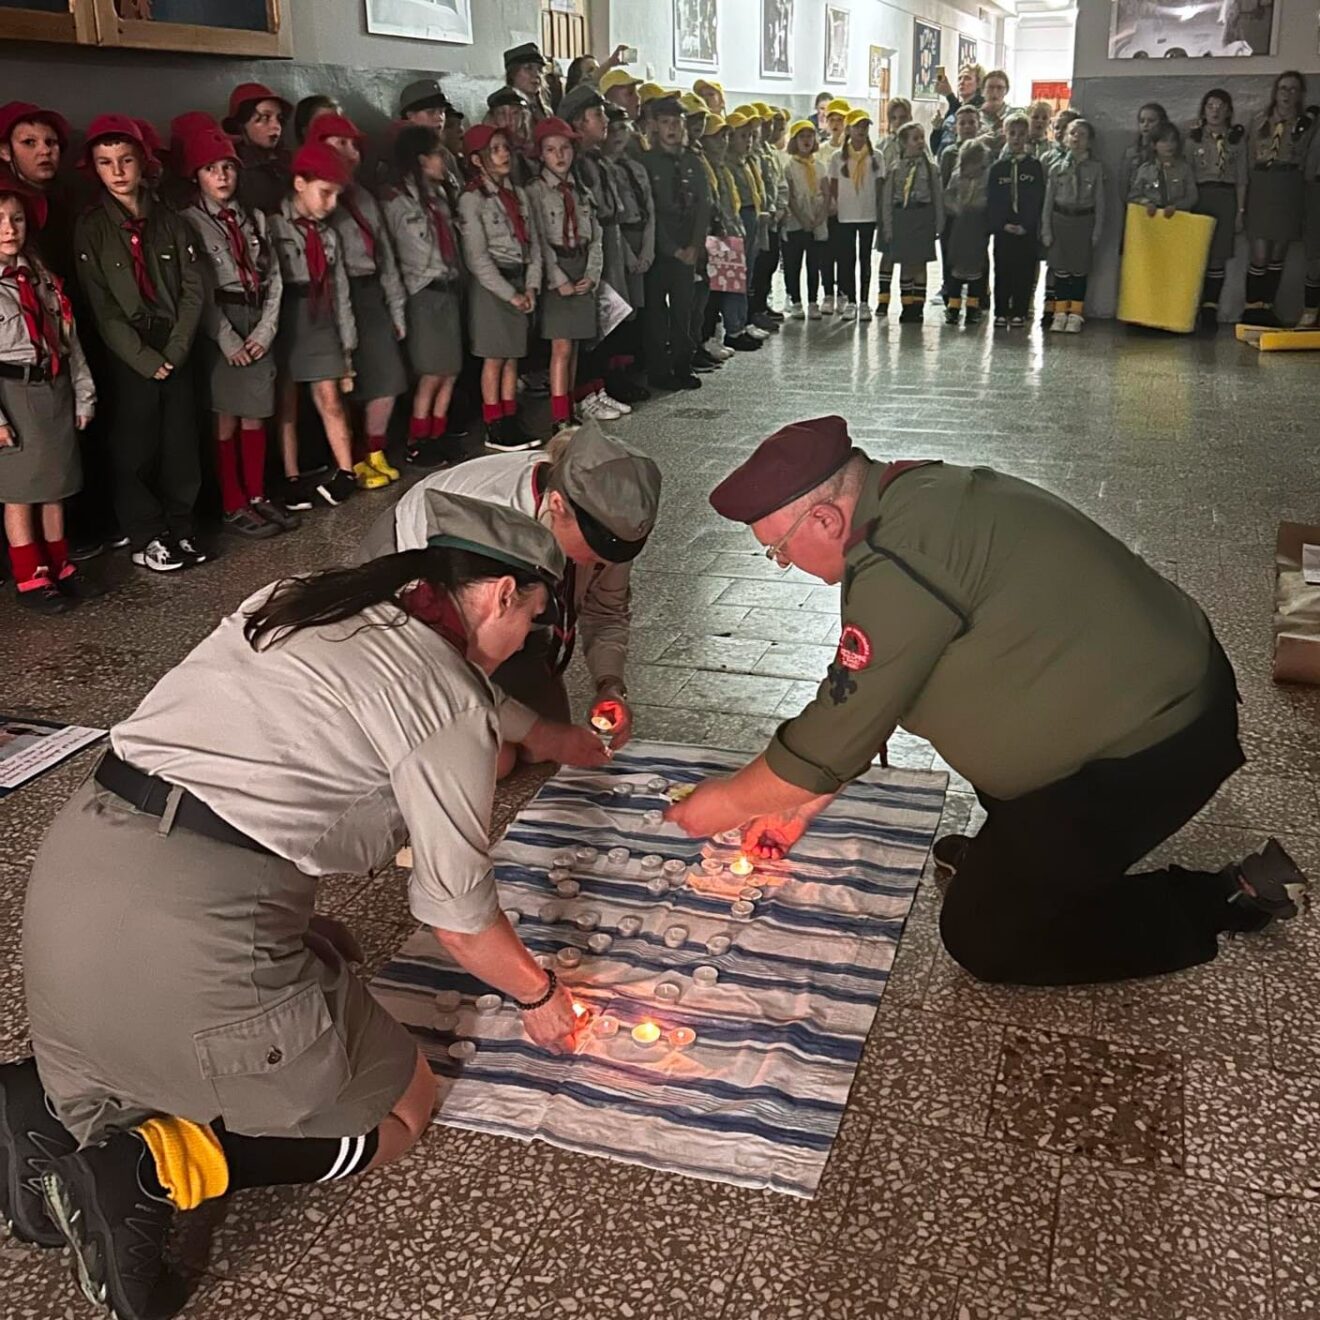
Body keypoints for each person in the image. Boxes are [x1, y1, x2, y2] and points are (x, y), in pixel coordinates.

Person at [2, 494, 582, 1320]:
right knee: (405, 1105)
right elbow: (459, 919)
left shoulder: (305, 594)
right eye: (527, 616)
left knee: (308, 955)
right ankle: (159, 1166)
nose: (525, 637)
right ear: (494, 596)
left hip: (73, 875)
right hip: (190, 929)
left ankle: (53, 1106)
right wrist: (541, 994)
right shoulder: (447, 703)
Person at [668, 414, 1309, 992]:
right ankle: (1030, 856)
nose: (784, 565)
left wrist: (720, 804)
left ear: (826, 520)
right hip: (1156, 688)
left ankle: (1221, 898)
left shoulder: (898, 555)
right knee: (1010, 824)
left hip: (1156, 743)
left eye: (779, 553)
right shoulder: (909, 498)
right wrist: (798, 804)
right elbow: (877, 691)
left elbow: (840, 726)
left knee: (985, 938)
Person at [358, 420, 660, 770]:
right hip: (414, 602)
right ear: (558, 504)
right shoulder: (493, 526)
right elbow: (447, 663)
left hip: (503, 616)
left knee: (542, 748)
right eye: (595, 553)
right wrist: (537, 732)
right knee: (493, 759)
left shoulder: (608, 527)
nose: (602, 565)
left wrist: (610, 685)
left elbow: (606, 611)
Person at [74, 114, 208, 574]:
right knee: (135, 448)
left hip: (175, 343)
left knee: (180, 443)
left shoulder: (170, 220)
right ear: (94, 168)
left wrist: (175, 349)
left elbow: (194, 289)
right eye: (105, 162)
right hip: (130, 350)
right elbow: (102, 306)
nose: (117, 171)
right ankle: (146, 534)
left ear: (141, 162)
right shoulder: (92, 228)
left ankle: (182, 524)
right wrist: (144, 358)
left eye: (126, 160)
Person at [177, 120, 295, 540]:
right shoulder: (189, 222)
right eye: (211, 169)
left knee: (256, 415)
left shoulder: (255, 219)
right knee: (225, 417)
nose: (222, 177)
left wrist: (266, 330)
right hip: (221, 325)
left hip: (257, 319)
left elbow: (275, 277)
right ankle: (233, 501)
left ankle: (258, 494)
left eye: (227, 167)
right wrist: (226, 338)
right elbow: (199, 288)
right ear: (197, 176)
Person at [0, 179, 98, 613]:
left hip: (53, 386)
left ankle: (60, 563)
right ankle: (29, 575)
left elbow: (68, 339)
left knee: (55, 485)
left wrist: (83, 392)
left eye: (16, 219)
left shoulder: (42, 278)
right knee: (19, 490)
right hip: (12, 392)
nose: (8, 228)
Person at [306, 114, 408, 492]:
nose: (351, 152)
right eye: (340, 144)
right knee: (346, 382)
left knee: (387, 378)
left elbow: (385, 256)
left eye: (353, 144)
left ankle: (375, 450)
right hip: (334, 296)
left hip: (371, 294)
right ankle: (350, 460)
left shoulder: (364, 196)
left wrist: (395, 307)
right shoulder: (317, 198)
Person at [268, 142, 359, 509]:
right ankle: (292, 478)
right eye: (325, 193)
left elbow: (341, 294)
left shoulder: (328, 235)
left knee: (331, 398)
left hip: (320, 317)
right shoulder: (273, 226)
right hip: (286, 314)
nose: (330, 204)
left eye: (336, 195)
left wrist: (347, 344)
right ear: (300, 183)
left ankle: (346, 471)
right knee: (286, 402)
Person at [381, 124, 466, 468]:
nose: (442, 160)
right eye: (436, 154)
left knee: (451, 370)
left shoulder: (439, 197)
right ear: (419, 159)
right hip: (421, 292)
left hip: (448, 288)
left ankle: (438, 432)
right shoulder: (395, 202)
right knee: (431, 371)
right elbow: (390, 255)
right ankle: (419, 439)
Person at [458, 123, 542, 451]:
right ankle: (494, 423)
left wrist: (531, 286)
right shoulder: (472, 199)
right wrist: (512, 294)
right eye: (494, 149)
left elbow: (532, 244)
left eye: (505, 147)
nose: (504, 154)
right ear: (477, 160)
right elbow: (477, 259)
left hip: (519, 279)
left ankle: (509, 414)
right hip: (494, 287)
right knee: (494, 357)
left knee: (512, 356)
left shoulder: (517, 195)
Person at [558, 82, 635, 419]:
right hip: (585, 257)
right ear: (577, 123)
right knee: (587, 330)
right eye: (596, 114)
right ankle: (584, 394)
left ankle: (599, 388)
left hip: (605, 250)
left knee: (604, 323)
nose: (604, 120)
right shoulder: (574, 164)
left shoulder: (596, 160)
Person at [527, 116, 602, 432]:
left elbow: (596, 236)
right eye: (550, 149)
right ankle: (559, 416)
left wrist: (593, 273)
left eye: (565, 148)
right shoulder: (535, 192)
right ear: (540, 155)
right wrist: (558, 279)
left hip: (580, 266)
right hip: (556, 271)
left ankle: (569, 406)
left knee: (575, 346)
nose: (559, 156)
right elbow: (538, 241)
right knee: (561, 347)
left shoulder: (581, 190)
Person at [641, 96, 711, 391]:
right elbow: (649, 211)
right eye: (666, 122)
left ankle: (683, 364)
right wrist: (672, 249)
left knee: (685, 310)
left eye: (677, 123)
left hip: (688, 250)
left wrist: (695, 245)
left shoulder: (693, 161)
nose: (672, 129)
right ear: (655, 125)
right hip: (659, 251)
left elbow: (703, 207)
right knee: (656, 314)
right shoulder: (646, 163)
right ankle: (659, 370)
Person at [1242, 71, 1316, 327]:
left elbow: (1308, 158)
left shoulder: (1307, 123)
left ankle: (1268, 306)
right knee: (1259, 253)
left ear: (1301, 94)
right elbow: (1249, 155)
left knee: (1278, 252)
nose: (1287, 94)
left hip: (1289, 184)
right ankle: (1252, 306)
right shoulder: (1259, 120)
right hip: (1263, 183)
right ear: (1275, 92)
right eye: (1283, 88)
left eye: (1294, 89)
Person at [1187, 89, 1248, 331]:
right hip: (1199, 195)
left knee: (1218, 256)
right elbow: (1186, 173)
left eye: (1221, 106)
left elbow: (1242, 178)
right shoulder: (1193, 138)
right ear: (1203, 110)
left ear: (1229, 111)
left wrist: (1240, 212)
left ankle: (1210, 308)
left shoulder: (1236, 140)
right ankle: (1191, 306)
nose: (1215, 111)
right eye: (1210, 106)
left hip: (1226, 197)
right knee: (1197, 254)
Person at [1041, 118, 1105, 335]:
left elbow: (1100, 203)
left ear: (1090, 141)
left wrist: (1096, 231)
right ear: (1065, 138)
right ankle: (1059, 313)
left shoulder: (1096, 169)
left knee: (1079, 270)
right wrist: (1046, 230)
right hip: (1060, 221)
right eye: (1073, 133)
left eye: (1082, 135)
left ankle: (1075, 313)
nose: (1077, 138)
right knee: (1060, 270)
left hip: (1083, 222)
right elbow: (1048, 202)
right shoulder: (1056, 167)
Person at [880, 122, 943, 324]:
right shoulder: (895, 168)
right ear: (903, 143)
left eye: (921, 138)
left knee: (921, 263)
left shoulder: (931, 168)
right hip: (902, 217)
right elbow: (887, 201)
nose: (920, 142)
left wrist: (939, 222)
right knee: (906, 263)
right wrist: (888, 227)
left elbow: (937, 196)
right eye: (915, 139)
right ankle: (906, 306)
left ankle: (919, 306)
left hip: (922, 216)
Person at [987, 113, 1043, 329]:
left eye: (1021, 134)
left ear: (1027, 135)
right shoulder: (998, 168)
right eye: (1012, 133)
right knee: (1002, 270)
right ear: (1005, 134)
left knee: (1024, 270)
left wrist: (1027, 225)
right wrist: (1001, 224)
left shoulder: (1034, 166)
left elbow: (1037, 198)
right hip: (1004, 229)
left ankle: (1020, 310)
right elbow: (993, 199)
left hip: (1025, 230)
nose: (1017, 138)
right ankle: (1001, 311)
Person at [828, 109, 882, 321]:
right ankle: (850, 300)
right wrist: (834, 206)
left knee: (866, 259)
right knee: (846, 259)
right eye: (857, 126)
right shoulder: (837, 157)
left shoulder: (876, 156)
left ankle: (865, 301)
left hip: (868, 214)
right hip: (845, 215)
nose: (861, 130)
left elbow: (879, 185)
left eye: (865, 126)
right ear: (849, 129)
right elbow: (833, 184)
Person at [781, 120, 830, 322]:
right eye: (802, 137)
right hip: (796, 221)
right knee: (793, 263)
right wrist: (802, 218)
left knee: (814, 263)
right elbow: (790, 196)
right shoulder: (789, 166)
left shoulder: (819, 165)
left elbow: (826, 193)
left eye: (810, 136)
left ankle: (812, 300)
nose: (807, 141)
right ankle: (795, 300)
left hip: (816, 219)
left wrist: (820, 217)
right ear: (794, 141)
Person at [941, 139, 991, 328]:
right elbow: (948, 195)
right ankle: (953, 306)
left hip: (977, 226)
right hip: (960, 226)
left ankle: (973, 306)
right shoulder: (956, 176)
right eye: (969, 164)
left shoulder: (986, 177)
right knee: (956, 265)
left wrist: (981, 206)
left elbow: (989, 197)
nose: (972, 168)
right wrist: (957, 208)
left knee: (976, 267)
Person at [223, 82, 292, 216]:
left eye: (279, 119)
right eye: (265, 118)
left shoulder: (287, 161)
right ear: (242, 124)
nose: (276, 126)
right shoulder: (234, 167)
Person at [1128, 123, 1198, 218]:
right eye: (1164, 141)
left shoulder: (1184, 169)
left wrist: (1177, 207)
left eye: (1173, 140)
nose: (1169, 145)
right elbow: (1133, 195)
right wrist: (1147, 203)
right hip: (1150, 219)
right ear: (1154, 145)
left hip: (1179, 218)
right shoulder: (1145, 170)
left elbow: (1192, 196)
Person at [930, 65, 984, 157]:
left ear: (978, 83)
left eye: (967, 78)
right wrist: (937, 128)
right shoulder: (955, 106)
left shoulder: (980, 106)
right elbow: (936, 148)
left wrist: (949, 95)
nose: (962, 82)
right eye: (959, 78)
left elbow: (964, 115)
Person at [1121, 102, 1168, 197]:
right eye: (1142, 121)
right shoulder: (1131, 152)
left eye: (1151, 121)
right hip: (1137, 205)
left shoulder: (1168, 150)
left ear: (1162, 123)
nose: (1145, 125)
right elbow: (1124, 186)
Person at [504, 41, 551, 123]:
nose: (536, 74)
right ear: (512, 73)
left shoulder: (546, 111)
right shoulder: (505, 112)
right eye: (528, 68)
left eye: (540, 69)